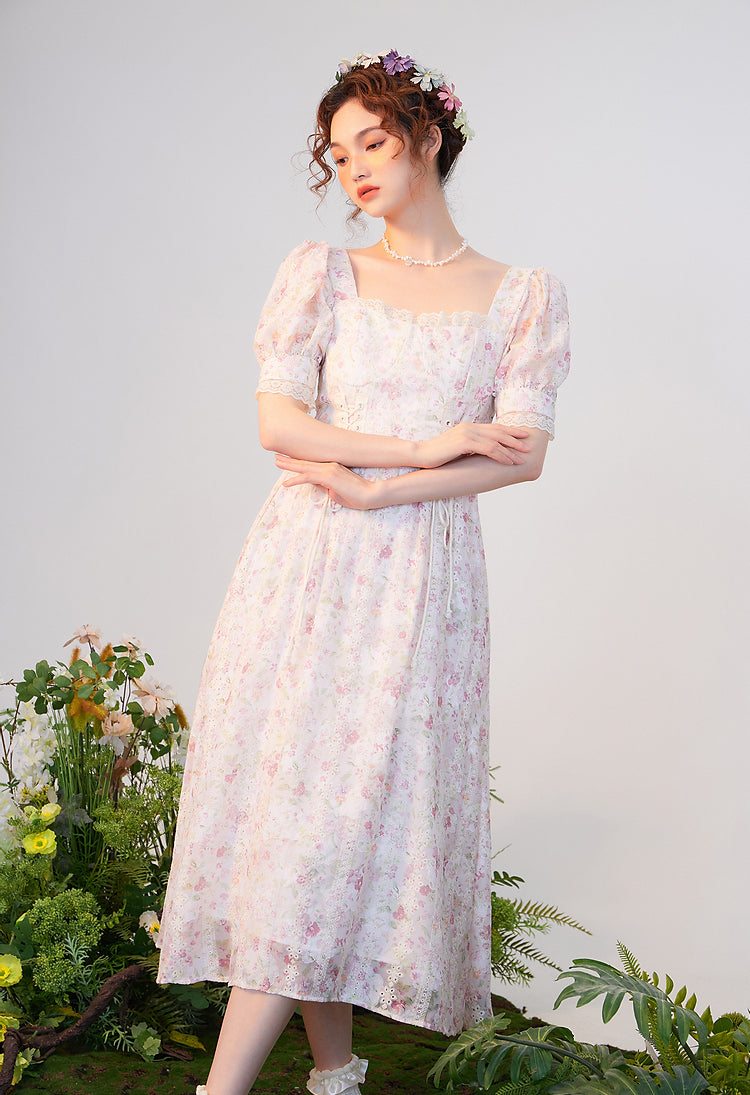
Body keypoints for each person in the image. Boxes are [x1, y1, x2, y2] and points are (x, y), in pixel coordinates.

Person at [156, 48, 571, 1095]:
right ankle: (279, 1081)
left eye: (373, 143)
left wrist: (388, 491)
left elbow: (521, 453)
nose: (354, 170)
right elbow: (281, 426)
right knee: (302, 819)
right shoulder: (322, 273)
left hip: (422, 578)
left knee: (346, 822)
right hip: (306, 567)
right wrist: (421, 450)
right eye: (338, 156)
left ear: (427, 136)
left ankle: (328, 1073)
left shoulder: (522, 296)